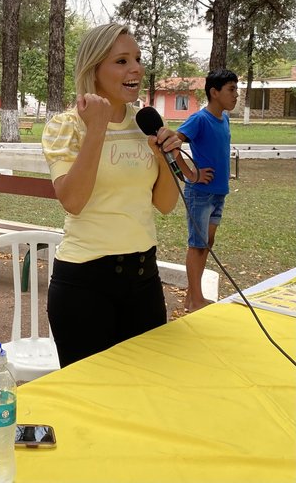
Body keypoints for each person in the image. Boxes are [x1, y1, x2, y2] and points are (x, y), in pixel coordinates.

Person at [41, 23, 183, 368]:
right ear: (94, 69)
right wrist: (97, 127)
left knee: (144, 391)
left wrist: (168, 158)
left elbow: (164, 204)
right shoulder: (66, 125)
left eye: (136, 58)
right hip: (85, 286)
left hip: (144, 278)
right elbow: (72, 200)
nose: (135, 68)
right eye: (121, 61)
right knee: (91, 402)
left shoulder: (146, 122)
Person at [176, 69, 239, 312]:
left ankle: (192, 297)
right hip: (200, 194)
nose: (236, 95)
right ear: (214, 92)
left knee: (207, 243)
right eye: (231, 90)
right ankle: (196, 301)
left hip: (218, 193)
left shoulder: (225, 118)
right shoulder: (199, 119)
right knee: (198, 244)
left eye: (236, 89)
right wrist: (190, 174)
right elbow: (172, 144)